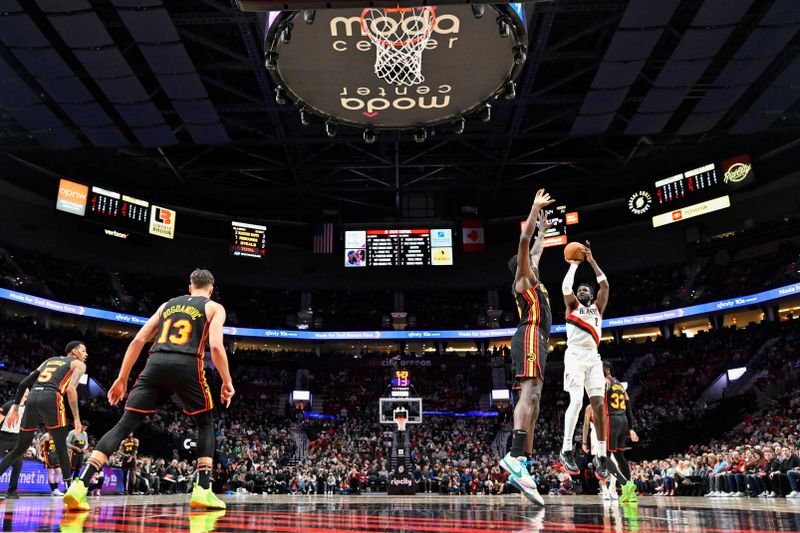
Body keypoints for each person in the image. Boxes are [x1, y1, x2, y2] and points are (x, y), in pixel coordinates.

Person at [64, 269, 235, 512]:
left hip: (155, 363)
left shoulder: (167, 305)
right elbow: (216, 347)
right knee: (205, 424)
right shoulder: (214, 307)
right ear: (210, 289)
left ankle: (79, 486)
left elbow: (138, 340)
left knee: (124, 425)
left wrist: (122, 377)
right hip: (187, 364)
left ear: (189, 287)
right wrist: (227, 382)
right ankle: (203, 490)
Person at [500, 189, 555, 506]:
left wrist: (544, 233)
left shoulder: (535, 273)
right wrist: (533, 212)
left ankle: (523, 464)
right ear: (521, 267)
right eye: (528, 263)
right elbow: (525, 244)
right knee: (529, 394)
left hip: (541, 338)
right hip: (530, 334)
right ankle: (514, 455)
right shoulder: (523, 280)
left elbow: (535, 250)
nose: (533, 263)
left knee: (534, 405)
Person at [0, 341, 87, 501]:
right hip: (51, 398)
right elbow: (70, 389)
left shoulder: (49, 361)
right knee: (61, 448)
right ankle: (71, 493)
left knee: (19, 449)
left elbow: (24, 383)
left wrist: (16, 407)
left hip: (33, 397)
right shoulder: (78, 364)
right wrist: (76, 418)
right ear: (74, 352)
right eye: (83, 350)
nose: (86, 354)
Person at [559, 242, 610, 480]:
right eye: (579, 291)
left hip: (594, 358)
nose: (581, 292)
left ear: (591, 295)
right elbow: (566, 286)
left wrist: (591, 260)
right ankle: (566, 449)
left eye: (585, 290)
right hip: (575, 356)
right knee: (577, 401)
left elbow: (605, 285)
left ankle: (601, 455)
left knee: (599, 406)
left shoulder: (598, 308)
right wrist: (574, 265)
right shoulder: (572, 307)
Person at [602, 361, 639, 502]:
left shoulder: (605, 382)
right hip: (623, 420)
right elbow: (629, 407)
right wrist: (631, 428)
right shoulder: (620, 384)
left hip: (612, 420)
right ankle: (631, 494)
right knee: (619, 456)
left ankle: (626, 484)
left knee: (602, 458)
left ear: (605, 369)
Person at [0, 390, 29, 499]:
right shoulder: (9, 405)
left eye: (27, 391)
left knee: (18, 465)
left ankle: (11, 491)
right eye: (24, 390)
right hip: (3, 436)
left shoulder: (27, 409)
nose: (26, 392)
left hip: (17, 439)